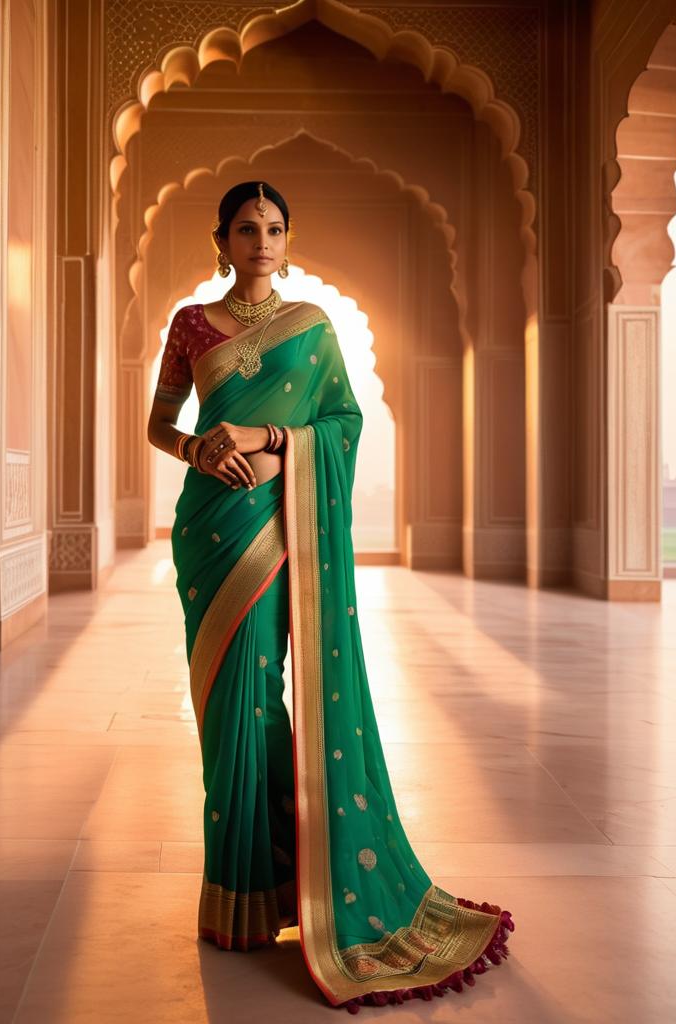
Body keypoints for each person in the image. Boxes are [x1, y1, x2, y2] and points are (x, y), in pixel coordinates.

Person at [146, 180, 514, 1012]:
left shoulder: (312, 327)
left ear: (288, 238)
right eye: (247, 228)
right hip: (210, 532)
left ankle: (283, 880)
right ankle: (250, 889)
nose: (262, 241)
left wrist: (275, 440)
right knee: (223, 710)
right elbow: (158, 424)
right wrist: (198, 451)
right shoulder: (191, 326)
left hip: (279, 530)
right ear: (223, 240)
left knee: (261, 701)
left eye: (275, 228)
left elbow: (343, 423)